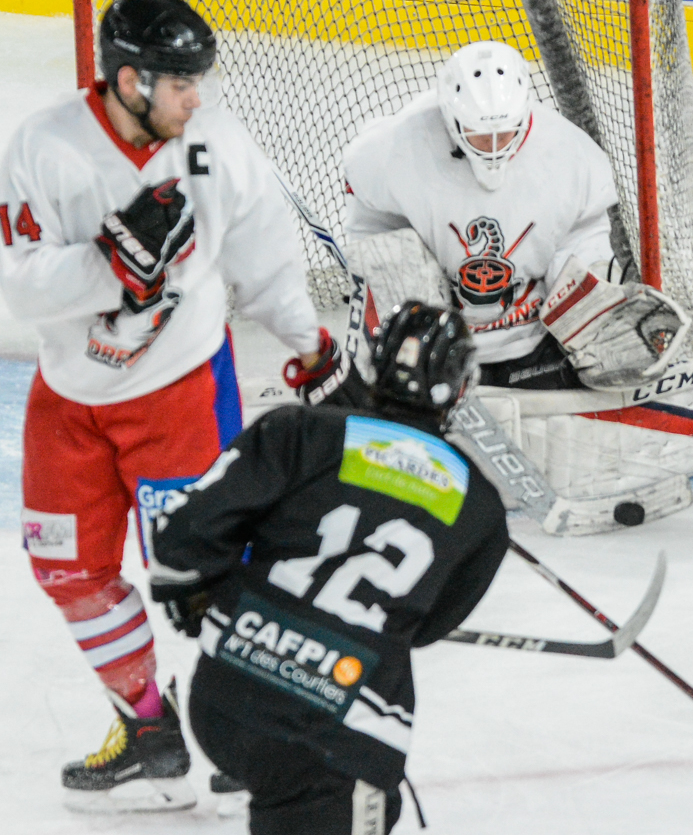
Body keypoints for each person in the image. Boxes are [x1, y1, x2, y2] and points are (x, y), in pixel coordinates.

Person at [0, 0, 351, 811]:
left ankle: (250, 739)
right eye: (182, 83)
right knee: (68, 570)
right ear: (130, 81)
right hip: (69, 403)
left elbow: (265, 265)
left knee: (205, 573)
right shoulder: (45, 147)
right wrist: (109, 264)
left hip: (180, 394)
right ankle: (149, 730)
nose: (198, 98)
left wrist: (310, 346)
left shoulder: (219, 145)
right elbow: (20, 285)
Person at [340, 41, 693, 531]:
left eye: (506, 132)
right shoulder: (395, 148)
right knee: (390, 282)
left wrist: (589, 301)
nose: (494, 147)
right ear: (450, 118)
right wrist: (400, 288)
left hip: (526, 340)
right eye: (480, 135)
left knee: (599, 357)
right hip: (443, 334)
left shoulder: (571, 155)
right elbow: (368, 220)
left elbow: (583, 236)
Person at [148, 302, 509, 835]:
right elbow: (425, 627)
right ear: (459, 388)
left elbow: (181, 539)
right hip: (337, 735)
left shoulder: (298, 431)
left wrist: (198, 595)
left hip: (226, 700)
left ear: (372, 364)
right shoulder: (480, 507)